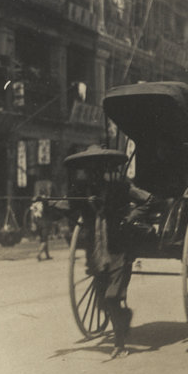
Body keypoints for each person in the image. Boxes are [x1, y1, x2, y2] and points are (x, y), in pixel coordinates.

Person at [65, 145, 156, 359]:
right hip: (97, 251)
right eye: (88, 169)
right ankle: (123, 318)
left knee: (112, 296)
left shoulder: (119, 186)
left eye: (96, 168)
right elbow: (66, 207)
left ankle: (120, 344)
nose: (92, 173)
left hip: (119, 247)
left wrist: (130, 218)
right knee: (103, 301)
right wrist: (45, 205)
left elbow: (149, 200)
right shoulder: (82, 191)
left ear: (104, 168)